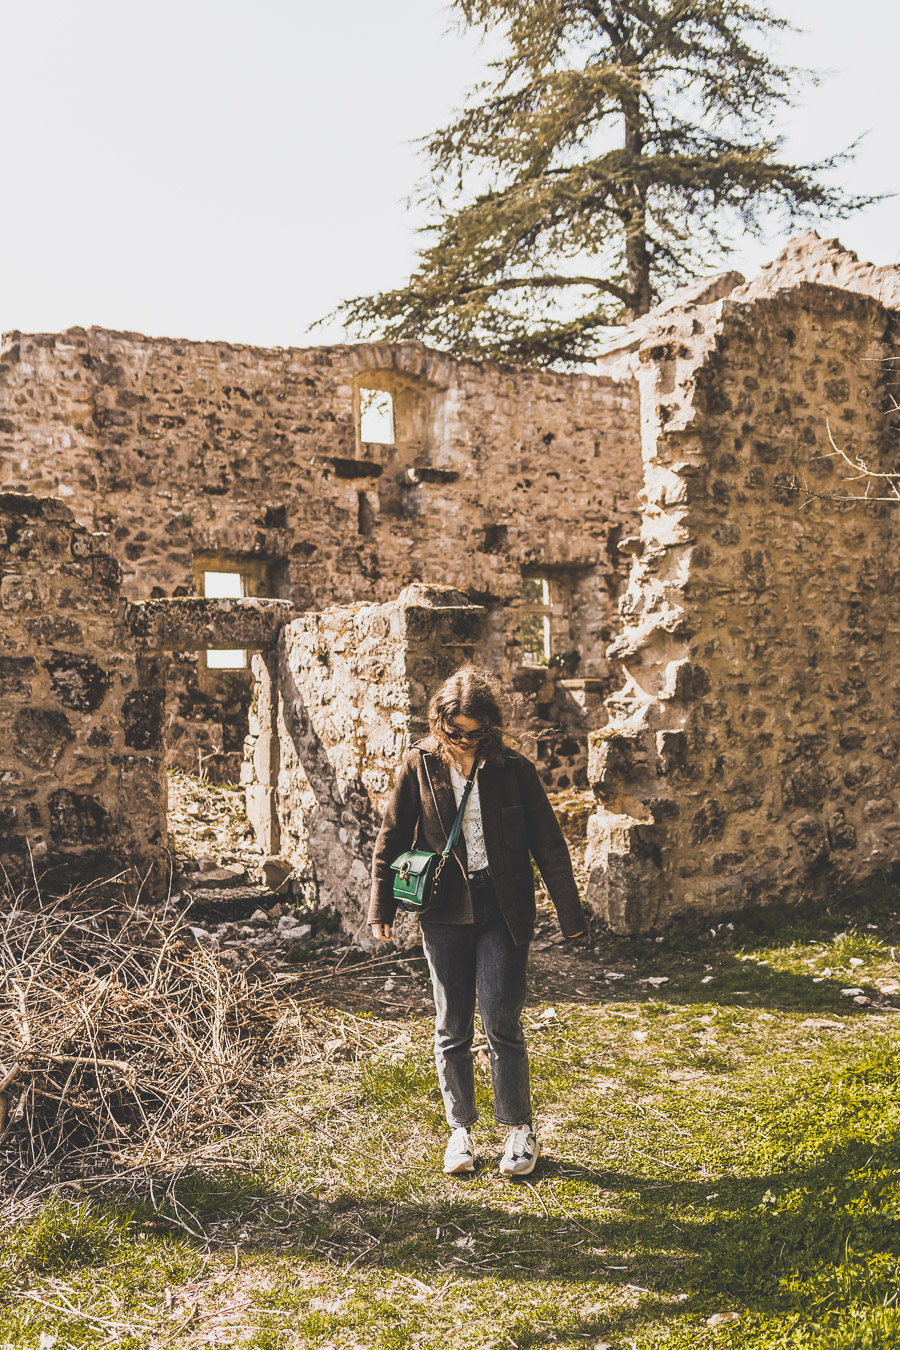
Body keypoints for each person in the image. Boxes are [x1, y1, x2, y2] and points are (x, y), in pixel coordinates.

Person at [369, 665, 585, 1177]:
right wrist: (381, 907)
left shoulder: (514, 770)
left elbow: (549, 845)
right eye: (454, 732)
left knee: (502, 1021)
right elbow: (391, 838)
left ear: (490, 728)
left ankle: (519, 1129)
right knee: (451, 1026)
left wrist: (571, 913)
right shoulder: (418, 764)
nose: (463, 741)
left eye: (474, 733)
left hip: (503, 908)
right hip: (443, 911)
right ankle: (460, 1130)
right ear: (439, 723)